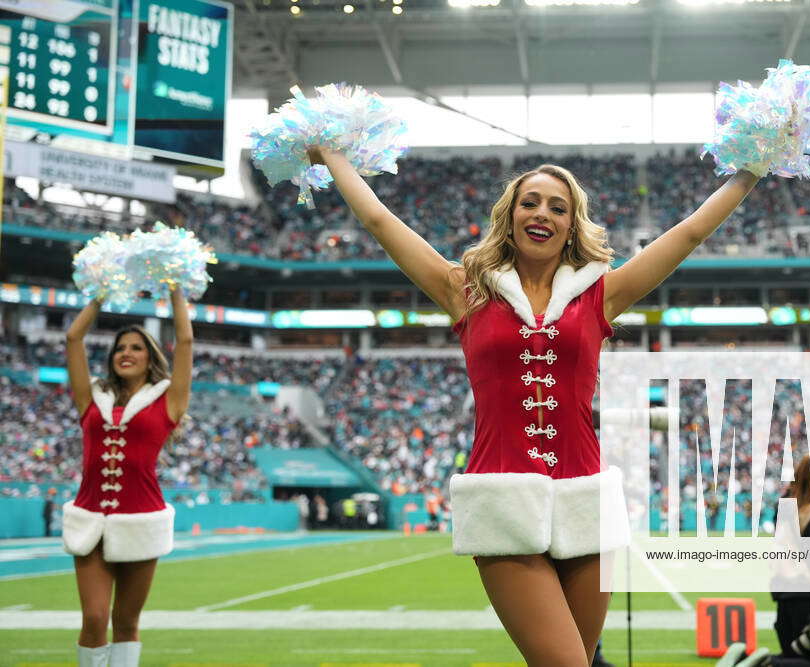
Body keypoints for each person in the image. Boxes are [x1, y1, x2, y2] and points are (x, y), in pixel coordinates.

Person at [309, 144, 759, 666]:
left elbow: (689, 234)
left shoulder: (599, 295)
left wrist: (753, 166)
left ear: (572, 226)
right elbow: (379, 220)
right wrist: (331, 153)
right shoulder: (466, 291)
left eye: (557, 207)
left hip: (586, 503)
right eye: (530, 202)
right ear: (510, 215)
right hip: (503, 504)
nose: (542, 213)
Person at [62, 287, 192, 667]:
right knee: (95, 617)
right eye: (120, 348)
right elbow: (73, 338)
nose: (126, 353)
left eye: (136, 347)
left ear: (150, 357)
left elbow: (185, 340)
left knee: (125, 621)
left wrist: (175, 289)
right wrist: (101, 296)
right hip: (90, 520)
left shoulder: (169, 400)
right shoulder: (91, 399)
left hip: (141, 519)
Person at [717, 455, 810, 667]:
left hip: (785, 595)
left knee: (792, 657)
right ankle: (763, 664)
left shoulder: (783, 511)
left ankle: (745, 660)